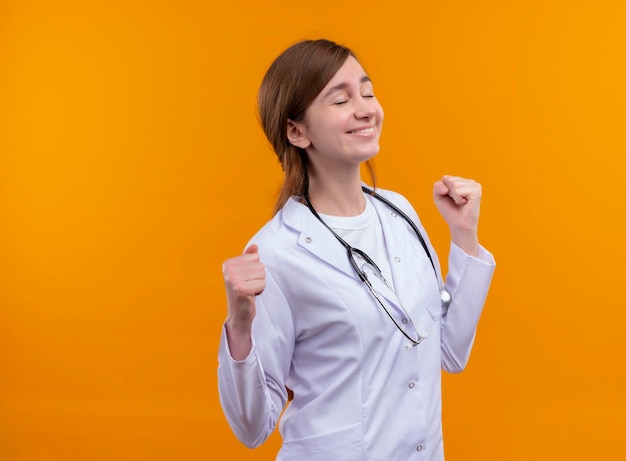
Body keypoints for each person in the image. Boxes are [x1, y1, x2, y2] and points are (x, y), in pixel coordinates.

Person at [217, 38, 495, 461]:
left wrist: (464, 237)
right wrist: (239, 325)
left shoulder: (400, 212)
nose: (365, 108)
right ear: (297, 130)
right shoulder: (275, 252)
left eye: (367, 92)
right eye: (341, 99)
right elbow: (253, 428)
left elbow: (449, 351)